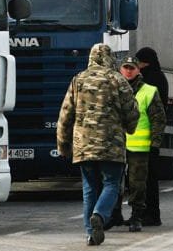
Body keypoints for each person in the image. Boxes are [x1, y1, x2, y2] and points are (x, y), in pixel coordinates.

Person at [56, 43, 139, 246]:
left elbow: (65, 115)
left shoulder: (78, 80)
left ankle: (91, 234)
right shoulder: (118, 80)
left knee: (89, 188)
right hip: (111, 145)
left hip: (83, 145)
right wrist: (130, 128)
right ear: (110, 59)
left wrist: (63, 145)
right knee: (111, 184)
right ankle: (100, 215)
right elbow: (131, 111)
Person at [117, 56, 166, 232]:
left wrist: (155, 143)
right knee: (114, 183)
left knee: (137, 184)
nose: (129, 71)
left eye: (132, 68)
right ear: (120, 70)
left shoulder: (149, 91)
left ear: (138, 70)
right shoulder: (113, 90)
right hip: (117, 145)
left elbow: (158, 119)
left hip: (140, 147)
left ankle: (137, 216)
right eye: (126, 67)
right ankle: (114, 215)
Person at [134, 47, 170, 226]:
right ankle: (150, 213)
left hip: (145, 136)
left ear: (145, 62)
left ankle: (150, 214)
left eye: (139, 62)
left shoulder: (148, 80)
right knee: (148, 178)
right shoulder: (160, 77)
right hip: (150, 136)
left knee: (146, 179)